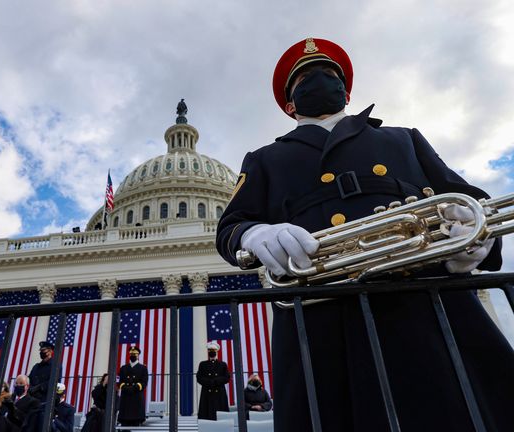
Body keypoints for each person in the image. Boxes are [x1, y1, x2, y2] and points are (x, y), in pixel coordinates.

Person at [216, 37, 514, 431]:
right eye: (305, 77)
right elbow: (232, 225)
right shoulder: (265, 159)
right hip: (323, 324)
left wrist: (479, 240)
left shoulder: (403, 138)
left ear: (347, 91)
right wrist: (254, 234)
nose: (319, 80)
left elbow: (468, 199)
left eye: (329, 74)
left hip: (428, 306)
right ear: (290, 105)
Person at [196, 342, 230, 420]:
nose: (212, 351)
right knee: (206, 416)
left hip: (219, 393)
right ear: (208, 351)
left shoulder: (223, 364)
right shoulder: (202, 364)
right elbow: (199, 377)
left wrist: (216, 381)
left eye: (213, 350)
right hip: (207, 393)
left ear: (217, 351)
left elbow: (227, 377)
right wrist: (209, 382)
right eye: (210, 350)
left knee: (221, 416)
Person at [117, 346, 148, 427]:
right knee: (124, 422)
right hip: (125, 395)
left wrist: (135, 387)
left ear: (138, 355)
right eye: (131, 354)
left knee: (136, 422)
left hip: (136, 395)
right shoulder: (123, 368)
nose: (133, 355)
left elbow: (144, 382)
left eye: (135, 354)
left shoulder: (143, 368)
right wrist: (124, 387)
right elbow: (119, 381)